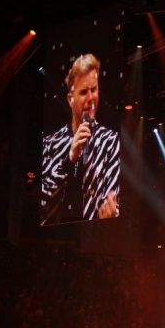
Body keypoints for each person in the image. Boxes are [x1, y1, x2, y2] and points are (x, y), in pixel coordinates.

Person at [41, 53, 120, 225]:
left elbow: (116, 200)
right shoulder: (51, 143)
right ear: (70, 99)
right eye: (84, 92)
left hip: (94, 239)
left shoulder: (111, 141)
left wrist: (113, 212)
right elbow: (42, 200)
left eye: (94, 90)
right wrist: (69, 158)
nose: (91, 99)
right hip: (57, 237)